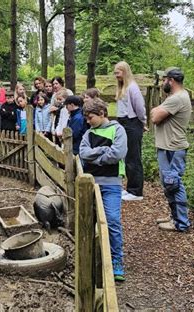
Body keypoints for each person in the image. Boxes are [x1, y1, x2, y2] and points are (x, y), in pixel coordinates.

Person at [79, 98, 128, 282]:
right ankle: (93, 256)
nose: (87, 121)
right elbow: (83, 153)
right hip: (91, 182)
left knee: (113, 221)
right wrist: (102, 152)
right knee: (89, 220)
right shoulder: (88, 133)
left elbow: (117, 154)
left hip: (111, 183)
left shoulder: (118, 130)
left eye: (90, 117)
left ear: (101, 114)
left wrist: (96, 156)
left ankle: (117, 261)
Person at [151, 68, 192, 232]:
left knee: (174, 183)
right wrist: (158, 110)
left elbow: (154, 117)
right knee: (168, 184)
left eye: (164, 80)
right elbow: (157, 113)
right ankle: (175, 217)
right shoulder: (175, 97)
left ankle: (181, 223)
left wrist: (157, 110)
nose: (162, 83)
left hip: (173, 148)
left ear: (171, 81)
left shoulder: (177, 98)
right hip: (167, 146)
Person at [114, 61, 146, 201]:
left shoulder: (132, 87)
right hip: (124, 122)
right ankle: (130, 188)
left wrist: (142, 121)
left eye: (118, 73)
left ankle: (136, 191)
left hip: (132, 122)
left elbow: (140, 107)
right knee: (127, 157)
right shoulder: (122, 88)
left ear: (125, 72)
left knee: (134, 157)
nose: (116, 76)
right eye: (115, 73)